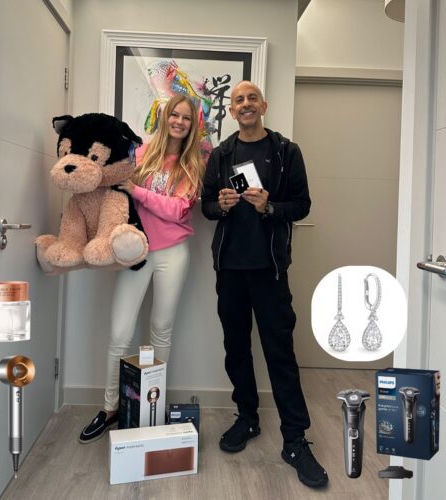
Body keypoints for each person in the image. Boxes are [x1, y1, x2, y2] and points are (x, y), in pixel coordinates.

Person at [201, 81, 328, 488]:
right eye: (238, 100)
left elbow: (302, 205)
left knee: (280, 353)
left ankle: (295, 441)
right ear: (232, 110)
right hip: (230, 270)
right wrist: (220, 206)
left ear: (264, 105)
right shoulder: (221, 154)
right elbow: (206, 205)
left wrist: (269, 206)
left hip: (270, 270)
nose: (246, 104)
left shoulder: (286, 152)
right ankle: (248, 418)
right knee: (236, 349)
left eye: (252, 98)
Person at [79, 94, 204, 443]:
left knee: (161, 330)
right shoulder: (140, 153)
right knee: (120, 333)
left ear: (193, 125)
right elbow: (114, 189)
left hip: (173, 253)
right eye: (175, 115)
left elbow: (178, 210)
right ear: (165, 117)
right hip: (136, 253)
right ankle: (110, 408)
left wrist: (139, 191)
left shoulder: (193, 163)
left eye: (187, 118)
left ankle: (154, 407)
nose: (179, 122)